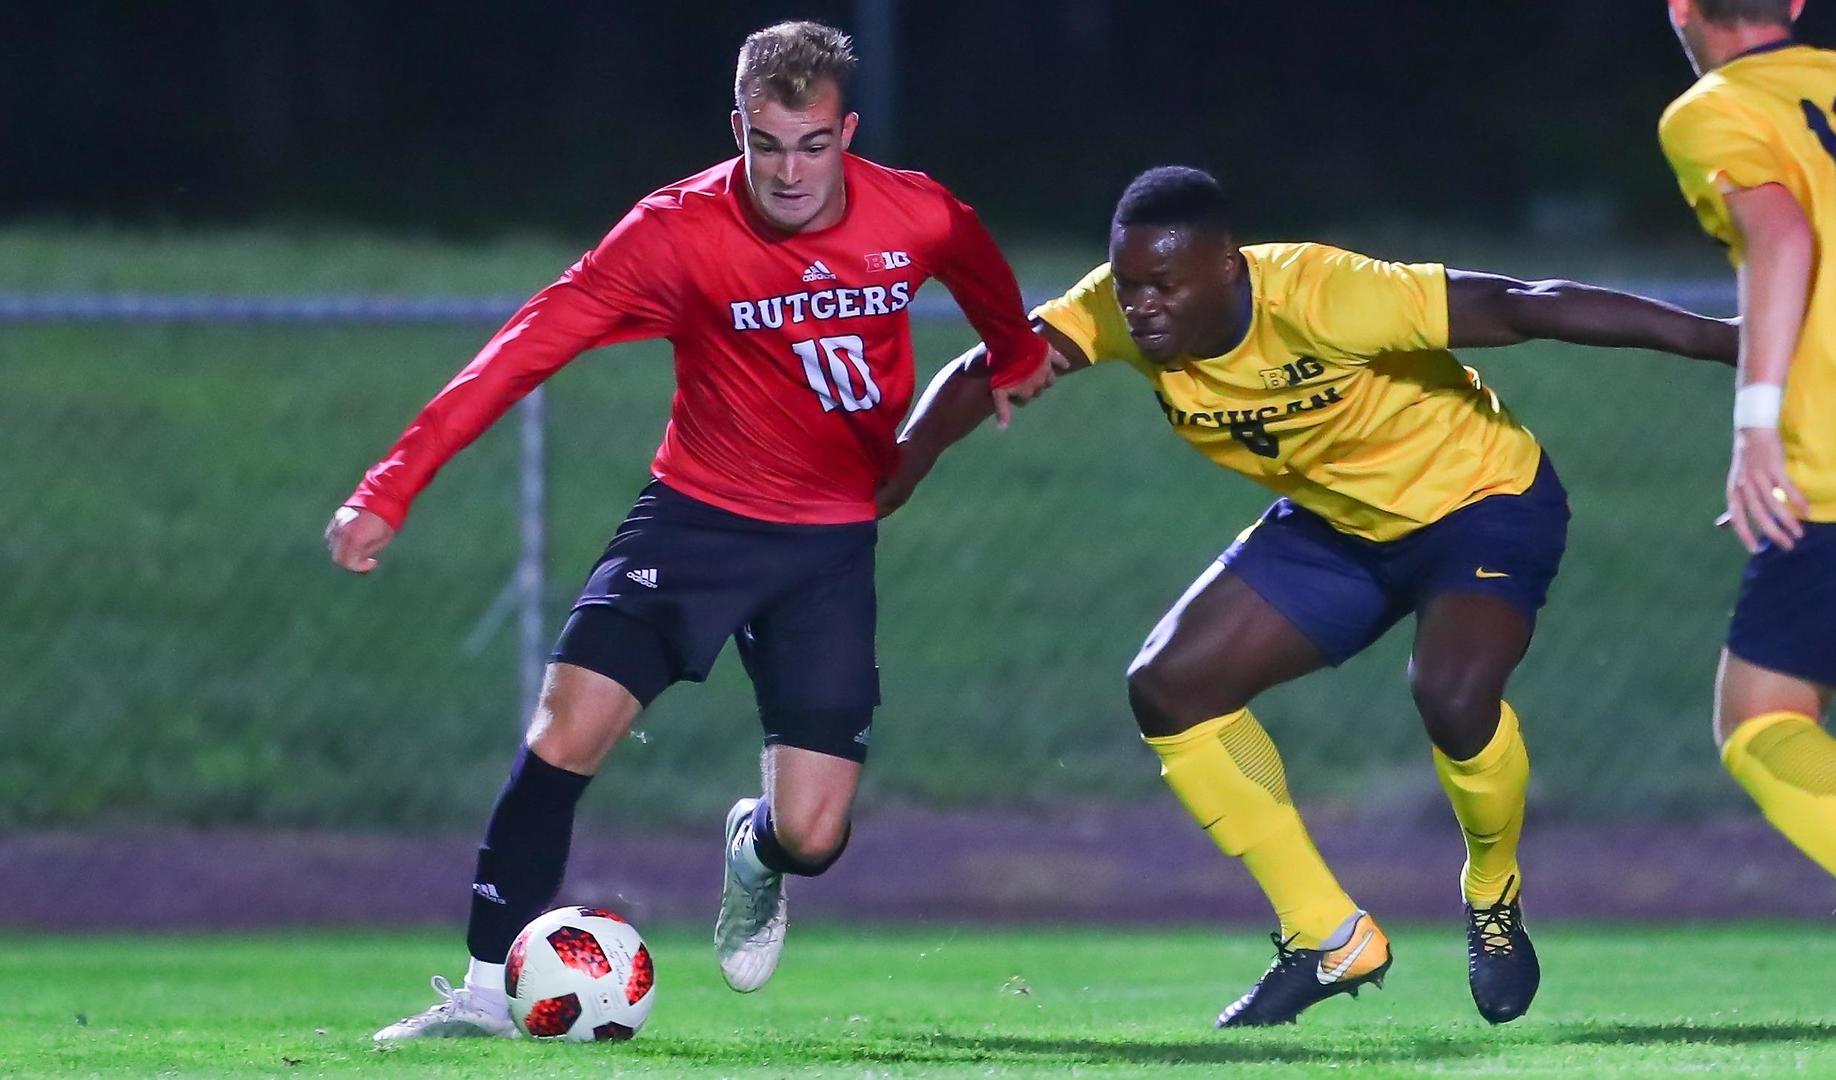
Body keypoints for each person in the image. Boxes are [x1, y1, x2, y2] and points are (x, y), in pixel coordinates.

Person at [880, 166, 1737, 1027]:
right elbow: (996, 363)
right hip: (1340, 525)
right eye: (1129, 282)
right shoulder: (1117, 305)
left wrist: (1724, 341)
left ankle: (1493, 888)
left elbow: (1524, 302)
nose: (1138, 308)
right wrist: (905, 464)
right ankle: (1328, 935)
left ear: (1226, 267)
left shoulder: (1328, 293)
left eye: (1161, 287)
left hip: (1481, 503)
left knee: (1450, 692)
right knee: (1171, 686)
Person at [326, 20, 1049, 1041]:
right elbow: (527, 345)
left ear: (847, 131)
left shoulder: (919, 214)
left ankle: (755, 852)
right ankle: (487, 994)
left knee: (814, 830)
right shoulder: (676, 230)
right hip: (695, 521)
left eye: (812, 144)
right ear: (738, 130)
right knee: (565, 730)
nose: (789, 172)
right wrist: (391, 486)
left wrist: (1013, 354)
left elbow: (983, 277)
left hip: (828, 546)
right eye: (765, 145)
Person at [1659, 0, 1836, 876]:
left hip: (1832, 462)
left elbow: (1781, 234)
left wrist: (1756, 425)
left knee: (1763, 718)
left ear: (1681, 8)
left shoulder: (1714, 108)